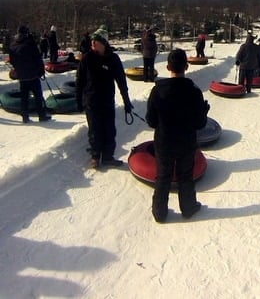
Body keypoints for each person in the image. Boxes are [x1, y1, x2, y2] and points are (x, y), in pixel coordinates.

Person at [146, 49, 209, 223]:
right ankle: (188, 208)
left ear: (167, 67)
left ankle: (159, 213)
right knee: (185, 176)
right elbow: (200, 124)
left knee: (163, 176)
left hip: (164, 142)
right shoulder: (194, 91)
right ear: (186, 66)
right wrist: (203, 112)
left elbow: (151, 121)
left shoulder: (157, 90)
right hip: (186, 142)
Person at [76, 25, 133, 169]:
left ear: (104, 43)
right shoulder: (87, 58)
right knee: (94, 129)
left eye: (96, 41)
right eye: (92, 41)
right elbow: (79, 81)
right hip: (91, 100)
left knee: (109, 129)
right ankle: (95, 156)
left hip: (107, 100)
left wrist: (126, 101)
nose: (93, 43)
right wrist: (78, 100)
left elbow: (121, 81)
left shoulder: (113, 59)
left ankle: (108, 156)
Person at [8, 25, 52, 123]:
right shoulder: (30, 43)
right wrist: (41, 71)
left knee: (24, 97)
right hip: (32, 75)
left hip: (22, 75)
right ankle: (41, 115)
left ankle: (25, 117)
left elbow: (12, 60)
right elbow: (37, 58)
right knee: (38, 96)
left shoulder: (13, 45)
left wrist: (18, 69)